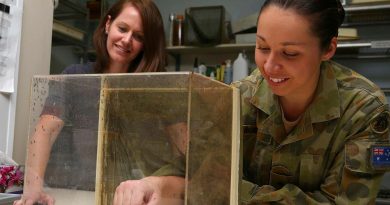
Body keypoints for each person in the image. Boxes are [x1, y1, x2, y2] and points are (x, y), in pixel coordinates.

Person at [111, 0, 390, 204]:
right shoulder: (239, 96)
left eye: (290, 53)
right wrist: (154, 183)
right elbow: (194, 165)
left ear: (328, 49)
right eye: (262, 47)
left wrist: (227, 190)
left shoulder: (365, 111)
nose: (270, 66)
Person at [15, 0, 168, 204]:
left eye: (138, 36)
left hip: (133, 197)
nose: (127, 40)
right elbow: (45, 130)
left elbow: (181, 149)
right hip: (80, 193)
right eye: (122, 29)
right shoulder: (75, 76)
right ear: (107, 25)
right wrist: (33, 188)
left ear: (146, 44)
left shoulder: (153, 88)